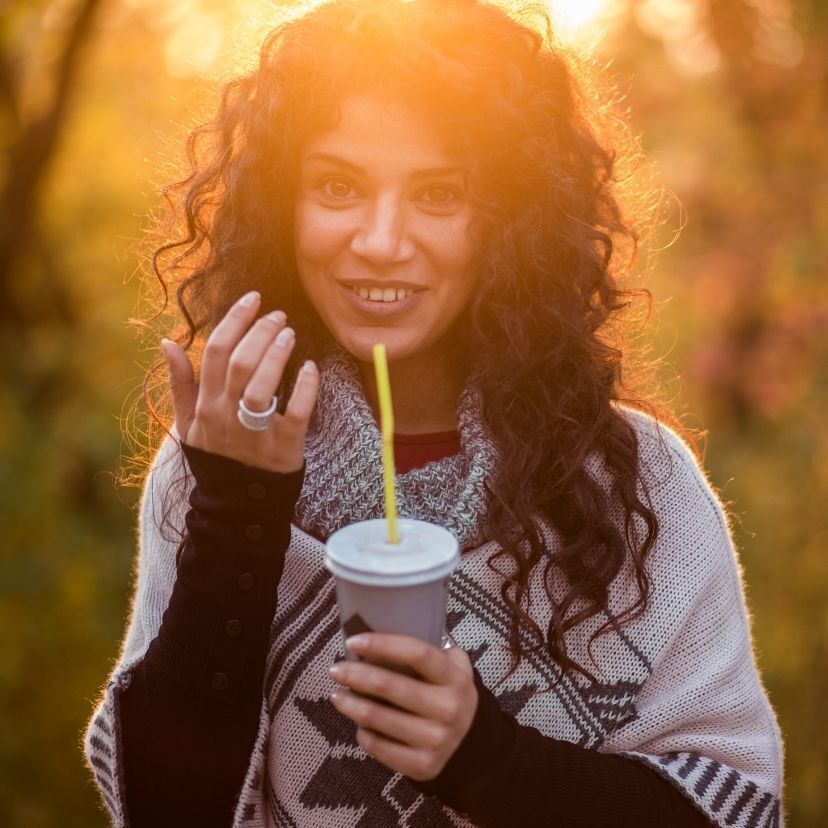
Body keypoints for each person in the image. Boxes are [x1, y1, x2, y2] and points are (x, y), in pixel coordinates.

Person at [84, 1, 784, 826]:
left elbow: (731, 809)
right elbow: (168, 809)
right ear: (282, 205)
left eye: (439, 193)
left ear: (509, 223)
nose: (381, 240)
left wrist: (487, 757)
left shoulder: (638, 485)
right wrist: (236, 508)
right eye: (337, 186)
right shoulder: (223, 452)